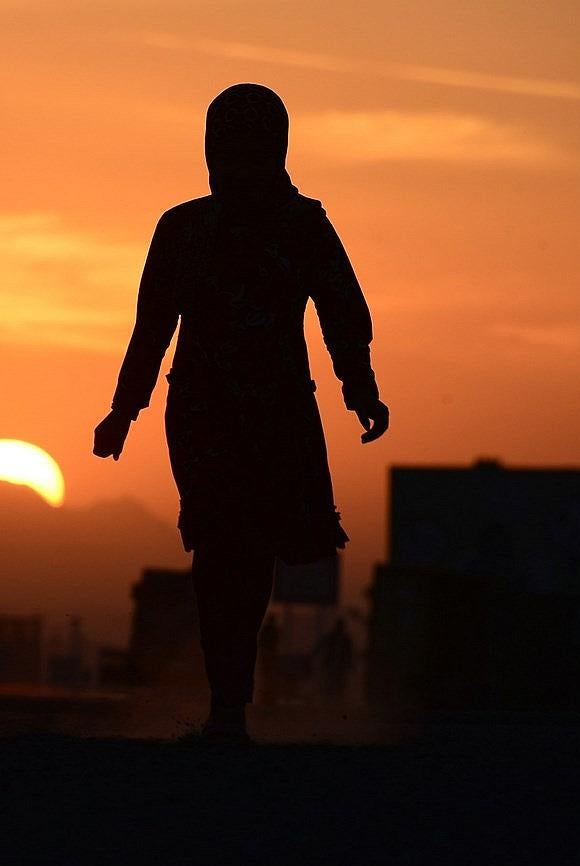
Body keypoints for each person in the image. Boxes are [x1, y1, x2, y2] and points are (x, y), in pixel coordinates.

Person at [93, 84, 388, 743]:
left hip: (277, 411)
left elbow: (343, 315)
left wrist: (359, 387)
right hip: (202, 411)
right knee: (221, 551)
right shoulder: (184, 229)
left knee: (247, 556)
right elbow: (151, 329)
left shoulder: (301, 225)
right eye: (228, 151)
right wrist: (122, 410)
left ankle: (229, 704)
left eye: (251, 151)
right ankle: (228, 703)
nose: (239, 166)